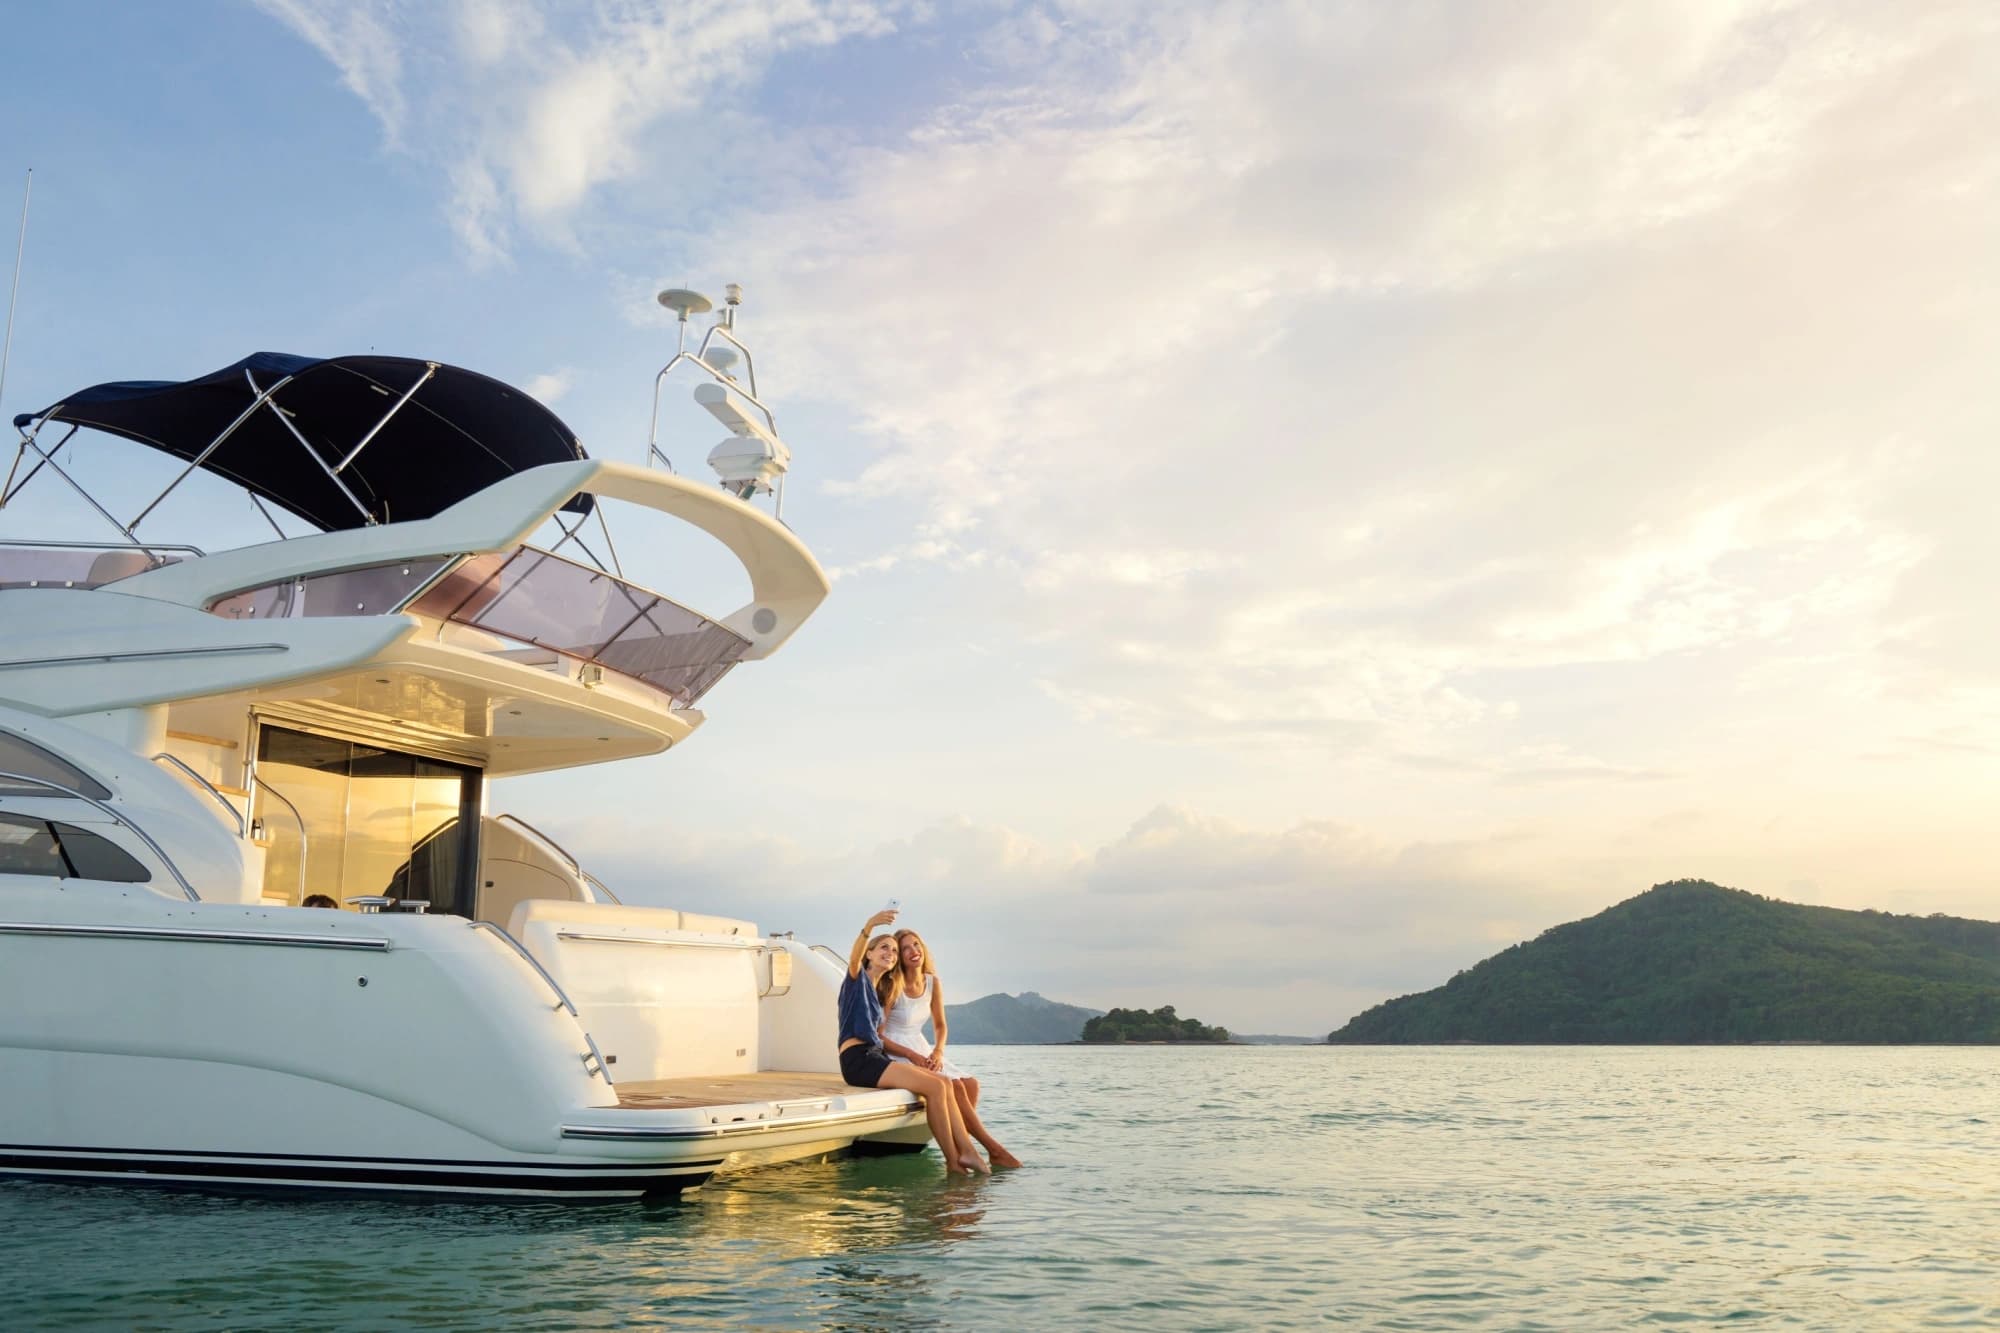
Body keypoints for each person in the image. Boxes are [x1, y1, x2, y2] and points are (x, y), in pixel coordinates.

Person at [836, 908, 988, 1175]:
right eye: (884, 947)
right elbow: (854, 956)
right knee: (936, 1087)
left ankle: (966, 1153)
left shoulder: (876, 989)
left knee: (943, 1082)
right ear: (869, 953)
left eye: (894, 952)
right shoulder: (856, 979)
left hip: (874, 1057)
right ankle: (954, 1161)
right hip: (857, 1060)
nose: (890, 954)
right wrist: (870, 925)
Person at [878, 929, 1021, 1168]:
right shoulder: (893, 984)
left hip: (922, 1047)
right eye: (906, 949)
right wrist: (912, 1055)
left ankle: (960, 1146)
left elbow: (941, 1025)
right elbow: (879, 1035)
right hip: (897, 1049)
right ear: (900, 957)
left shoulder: (932, 982)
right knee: (954, 1086)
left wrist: (937, 1052)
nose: (914, 951)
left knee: (971, 1084)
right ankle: (990, 1149)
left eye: (916, 945)